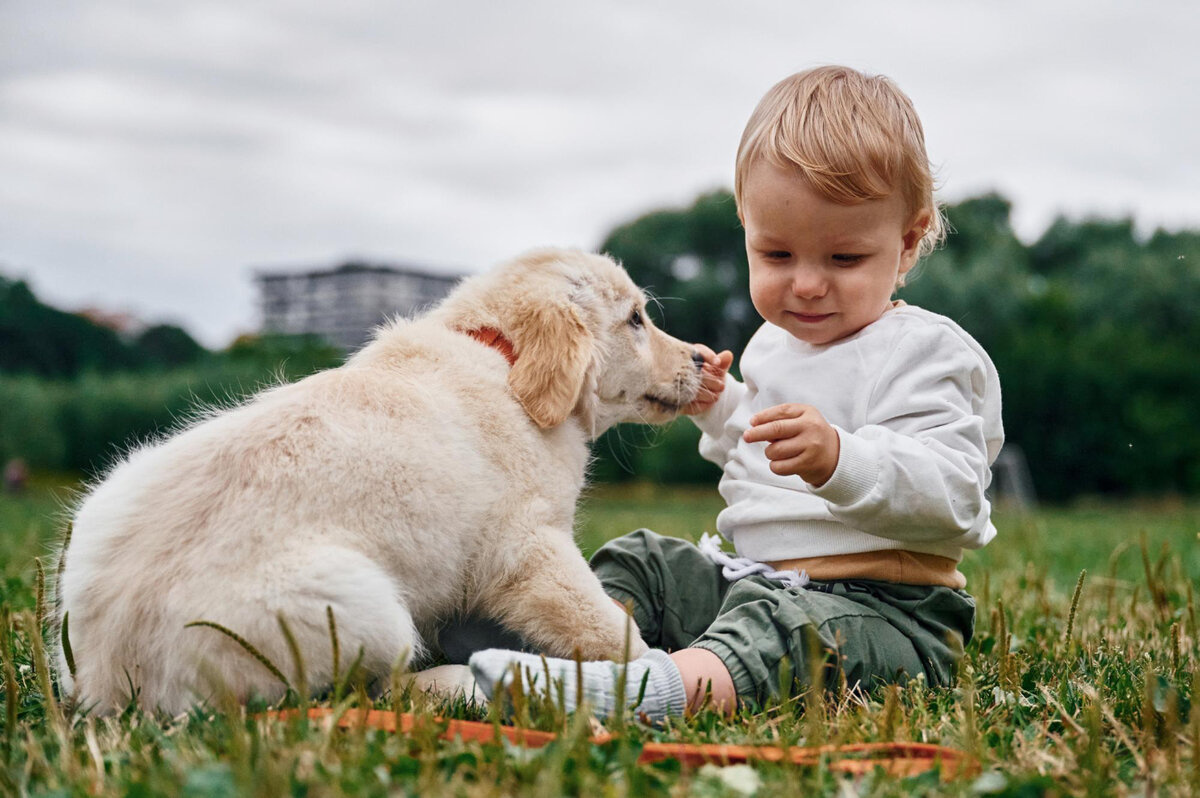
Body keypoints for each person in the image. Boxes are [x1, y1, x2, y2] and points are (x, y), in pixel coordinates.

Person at [467, 65, 1004, 720]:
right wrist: (720, 410)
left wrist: (841, 458)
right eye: (777, 256)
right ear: (746, 229)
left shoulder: (924, 354)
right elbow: (758, 460)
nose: (806, 284)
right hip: (753, 583)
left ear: (908, 242)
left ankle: (648, 694)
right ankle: (533, 647)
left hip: (883, 614)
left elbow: (953, 495)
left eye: (843, 260)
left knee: (782, 636)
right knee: (646, 562)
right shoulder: (776, 346)